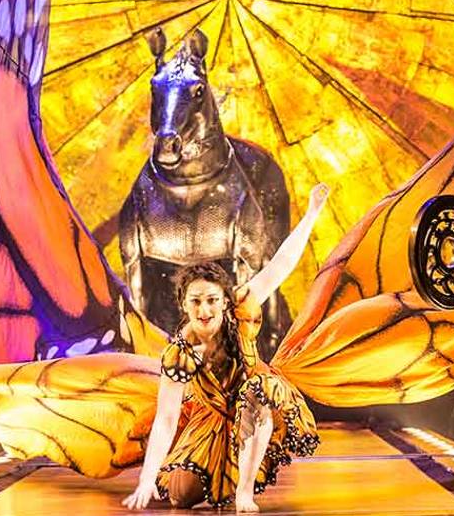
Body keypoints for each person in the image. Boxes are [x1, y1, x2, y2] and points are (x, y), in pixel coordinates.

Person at [122, 184, 328, 512]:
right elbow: (166, 418)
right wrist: (147, 478)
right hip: (211, 419)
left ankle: (244, 492)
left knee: (258, 394)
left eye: (212, 300)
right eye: (196, 301)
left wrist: (313, 212)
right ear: (184, 305)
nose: (205, 310)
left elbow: (281, 265)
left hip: (253, 403)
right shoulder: (179, 354)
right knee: (179, 496)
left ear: (223, 301)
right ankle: (225, 472)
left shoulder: (241, 307)